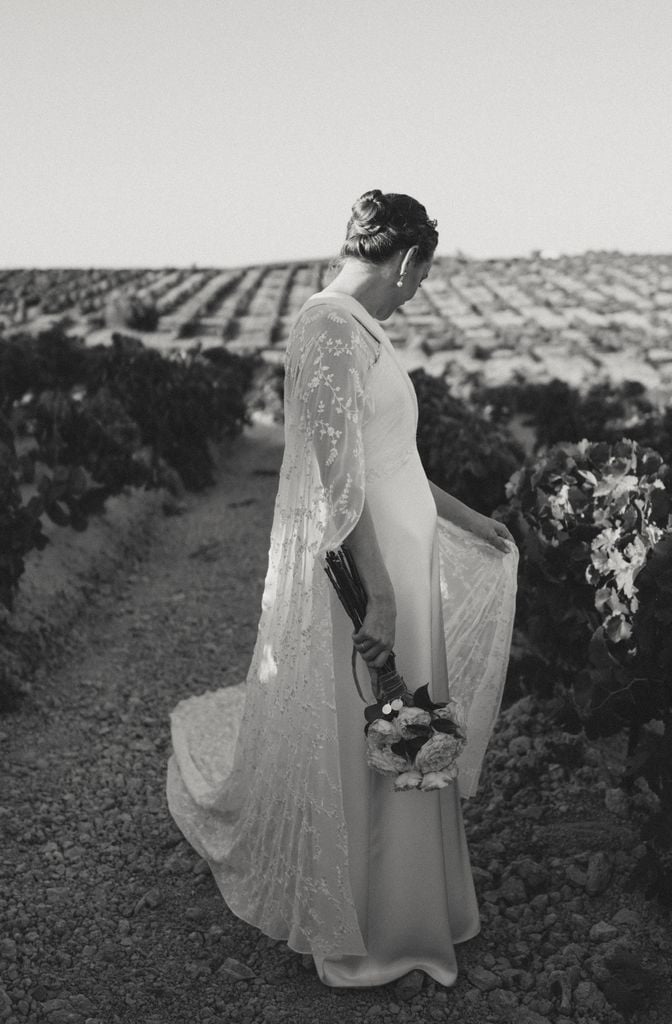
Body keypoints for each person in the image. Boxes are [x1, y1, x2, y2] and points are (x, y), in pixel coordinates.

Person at [166, 189, 518, 990]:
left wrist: (470, 519)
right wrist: (382, 593)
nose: (416, 291)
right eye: (419, 277)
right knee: (383, 733)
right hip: (375, 574)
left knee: (412, 729)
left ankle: (421, 904)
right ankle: (375, 928)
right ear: (404, 260)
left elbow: (400, 463)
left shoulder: (365, 331)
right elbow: (338, 474)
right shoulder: (329, 326)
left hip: (407, 563)